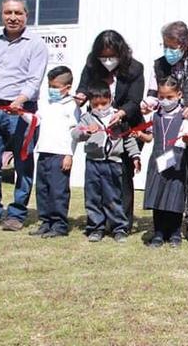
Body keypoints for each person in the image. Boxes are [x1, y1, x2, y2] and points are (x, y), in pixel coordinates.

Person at [0, 0, 48, 233]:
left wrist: (20, 100)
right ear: (1, 14)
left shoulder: (35, 45)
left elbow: (34, 80)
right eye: (8, 13)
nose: (12, 17)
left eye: (18, 13)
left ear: (26, 15)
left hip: (21, 113)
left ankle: (16, 214)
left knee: (23, 164)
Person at [143, 21, 188, 242]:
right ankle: (165, 222)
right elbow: (152, 92)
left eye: (172, 46)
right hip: (170, 130)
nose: (168, 50)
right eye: (165, 45)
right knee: (169, 173)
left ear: (184, 44)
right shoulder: (158, 64)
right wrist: (147, 103)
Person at [76, 30, 145, 234]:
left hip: (125, 126)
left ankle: (122, 224)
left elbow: (134, 100)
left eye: (112, 56)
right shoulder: (91, 65)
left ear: (121, 53)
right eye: (103, 56)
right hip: (98, 130)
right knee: (98, 180)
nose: (107, 61)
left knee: (122, 177)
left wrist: (122, 113)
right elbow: (83, 88)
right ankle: (98, 223)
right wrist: (81, 96)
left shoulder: (135, 68)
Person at [72, 82, 142, 243]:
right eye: (95, 104)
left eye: (104, 103)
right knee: (93, 197)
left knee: (113, 197)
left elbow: (128, 138)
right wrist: (86, 131)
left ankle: (119, 228)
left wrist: (135, 156)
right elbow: (75, 134)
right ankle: (96, 228)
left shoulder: (118, 117)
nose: (100, 107)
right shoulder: (87, 118)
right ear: (89, 102)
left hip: (113, 163)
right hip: (93, 163)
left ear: (110, 99)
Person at [26, 66, 81, 238]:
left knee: (58, 191)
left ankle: (59, 224)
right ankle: (46, 222)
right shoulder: (45, 102)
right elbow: (35, 120)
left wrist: (69, 155)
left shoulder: (72, 106)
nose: (52, 90)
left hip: (60, 154)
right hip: (44, 151)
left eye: (56, 87)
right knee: (43, 189)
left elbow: (74, 133)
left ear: (68, 87)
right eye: (50, 86)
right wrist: (20, 113)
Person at [143, 76, 188, 248]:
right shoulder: (155, 114)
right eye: (161, 97)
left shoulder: (185, 115)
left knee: (174, 197)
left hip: (176, 159)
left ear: (178, 94)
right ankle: (158, 232)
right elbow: (150, 136)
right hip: (157, 158)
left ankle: (175, 232)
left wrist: (187, 139)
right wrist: (140, 135)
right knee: (157, 196)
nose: (165, 101)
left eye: (169, 97)